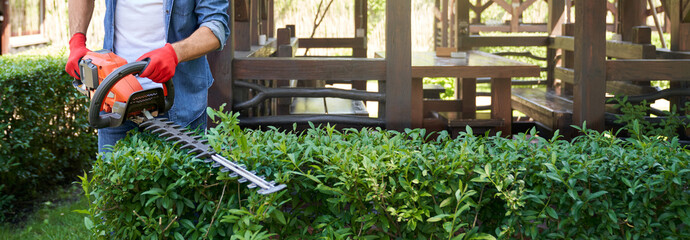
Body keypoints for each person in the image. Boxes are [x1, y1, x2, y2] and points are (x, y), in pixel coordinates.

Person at [65, 0, 229, 153]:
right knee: (113, 182)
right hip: (115, 99)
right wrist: (77, 41)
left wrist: (175, 54)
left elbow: (216, 25)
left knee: (180, 181)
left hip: (179, 103)